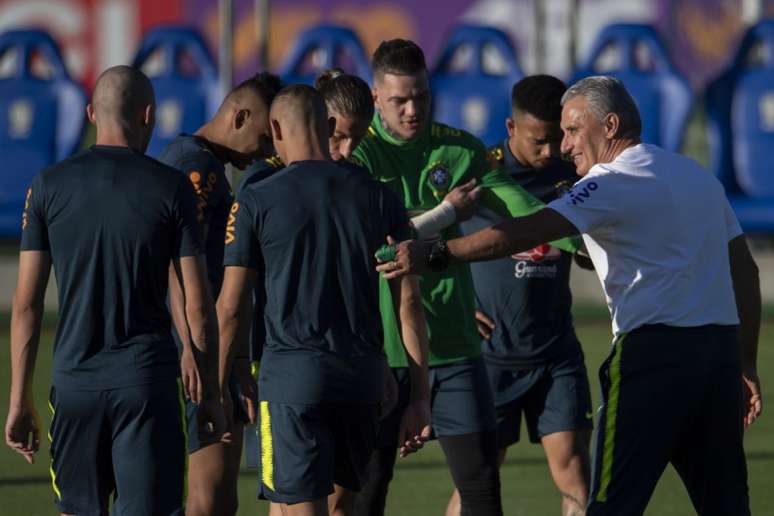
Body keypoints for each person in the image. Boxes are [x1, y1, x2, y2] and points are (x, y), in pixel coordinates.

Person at [378, 75, 763, 516]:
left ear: (611, 125)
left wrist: (438, 252)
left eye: (574, 130)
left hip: (651, 360)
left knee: (609, 504)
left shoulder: (609, 182)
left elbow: (525, 231)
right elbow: (746, 272)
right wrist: (746, 361)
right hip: (717, 358)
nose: (565, 146)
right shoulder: (697, 175)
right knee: (728, 506)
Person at [350, 39, 581, 516]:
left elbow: (524, 211)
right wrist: (444, 213)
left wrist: (586, 241)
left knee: (481, 491)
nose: (413, 110)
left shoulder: (457, 150)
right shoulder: (359, 156)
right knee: (368, 492)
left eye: (422, 96)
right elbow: (376, 248)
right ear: (376, 98)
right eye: (399, 100)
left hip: (454, 347)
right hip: (379, 350)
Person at [4, 65, 224, 516]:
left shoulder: (47, 186)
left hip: (73, 386)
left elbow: (26, 305)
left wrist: (19, 397)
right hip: (146, 384)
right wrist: (211, 395)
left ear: (90, 113)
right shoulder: (172, 188)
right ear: (148, 115)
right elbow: (198, 306)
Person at [216, 84, 431, 516]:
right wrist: (419, 396)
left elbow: (231, 308)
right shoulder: (379, 196)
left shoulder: (257, 197)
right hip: (362, 380)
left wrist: (216, 389)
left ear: (275, 129)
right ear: (329, 125)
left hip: (293, 381)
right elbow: (408, 304)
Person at [446, 75, 593, 516]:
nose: (551, 151)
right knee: (478, 485)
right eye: (539, 140)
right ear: (511, 128)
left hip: (554, 352)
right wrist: (457, 308)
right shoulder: (477, 174)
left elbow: (593, 253)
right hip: (490, 356)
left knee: (574, 473)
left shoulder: (575, 175)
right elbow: (428, 246)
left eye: (560, 138)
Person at [157, 71, 282, 516]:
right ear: (240, 115)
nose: (268, 151)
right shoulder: (197, 170)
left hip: (217, 352)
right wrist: (198, 355)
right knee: (207, 497)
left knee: (222, 494)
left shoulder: (202, 164)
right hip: (198, 355)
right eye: (266, 138)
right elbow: (176, 265)